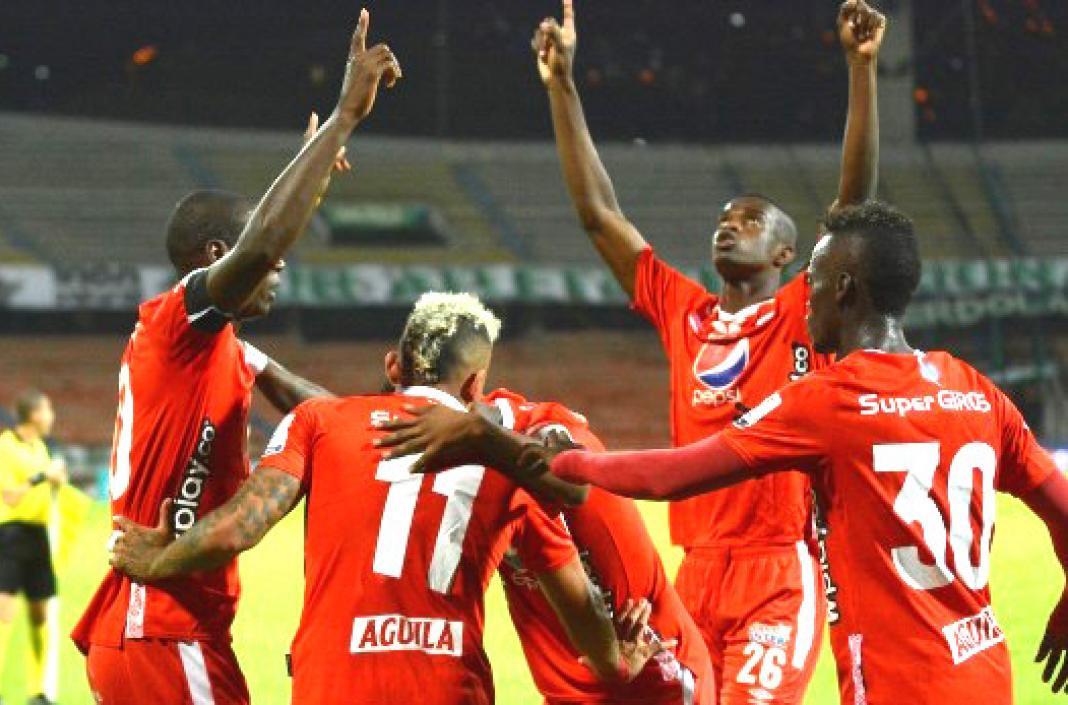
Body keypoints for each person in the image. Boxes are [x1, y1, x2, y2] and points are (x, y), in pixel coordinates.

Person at [374, 201, 1068, 705]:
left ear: (846, 289)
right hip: (985, 671)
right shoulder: (973, 388)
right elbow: (1060, 505)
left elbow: (675, 475)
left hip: (895, 682)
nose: (806, 297)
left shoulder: (831, 399)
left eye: (815, 279)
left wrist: (562, 460)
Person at [527, 1, 885, 700]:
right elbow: (600, 216)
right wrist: (562, 85)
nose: (729, 226)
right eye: (724, 219)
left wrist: (862, 69)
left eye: (750, 220)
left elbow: (852, 211)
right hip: (693, 572)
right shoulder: (682, 310)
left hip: (776, 570)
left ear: (786, 253)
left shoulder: (802, 311)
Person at [109, 292, 670, 705]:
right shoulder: (504, 465)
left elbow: (242, 524)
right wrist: (616, 661)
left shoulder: (317, 421)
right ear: (475, 385)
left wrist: (159, 559)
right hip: (447, 687)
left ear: (393, 366)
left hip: (330, 686)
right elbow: (578, 604)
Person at [70, 10, 402, 705]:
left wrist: (407, 417)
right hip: (161, 628)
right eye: (262, 257)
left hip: (169, 630)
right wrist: (344, 117)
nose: (280, 269)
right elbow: (262, 247)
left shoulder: (223, 350)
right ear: (215, 257)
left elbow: (324, 413)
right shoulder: (175, 325)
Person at [485, 389, 714, 705]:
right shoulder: (479, 452)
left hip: (654, 679)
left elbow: (578, 596)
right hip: (575, 688)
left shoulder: (530, 461)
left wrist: (612, 665)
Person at [0, 390, 67, 705]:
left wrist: (56, 481)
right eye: (48, 410)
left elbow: (46, 488)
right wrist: (42, 476)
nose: (52, 416)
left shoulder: (40, 448)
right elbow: (9, 497)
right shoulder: (1, 448)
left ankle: (37, 691)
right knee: (2, 610)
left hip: (38, 535)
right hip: (11, 534)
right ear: (34, 415)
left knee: (39, 614)